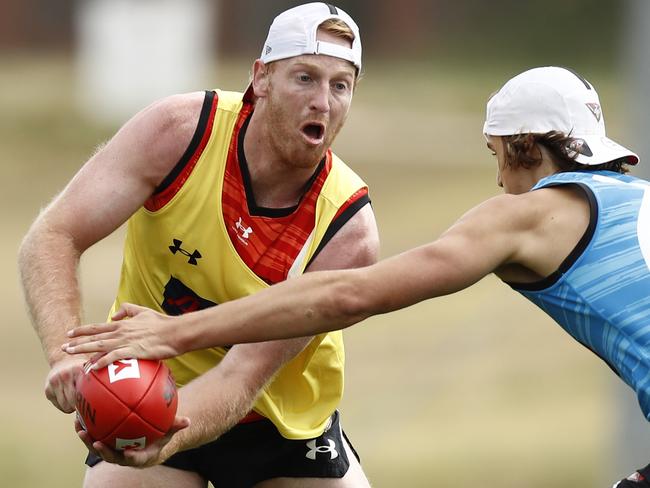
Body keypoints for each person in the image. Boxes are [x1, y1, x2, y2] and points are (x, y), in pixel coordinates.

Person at [63, 65, 650, 487]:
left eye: (496, 155)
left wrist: (176, 333)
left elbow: (344, 296)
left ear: (524, 149)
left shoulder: (528, 215)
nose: (498, 180)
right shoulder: (638, 197)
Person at [19, 3, 379, 487]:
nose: (323, 101)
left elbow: (242, 376)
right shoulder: (181, 133)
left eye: (340, 85)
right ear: (261, 78)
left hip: (279, 422)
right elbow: (52, 235)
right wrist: (66, 355)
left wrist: (165, 434)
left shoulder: (347, 229)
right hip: (147, 389)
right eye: (304, 78)